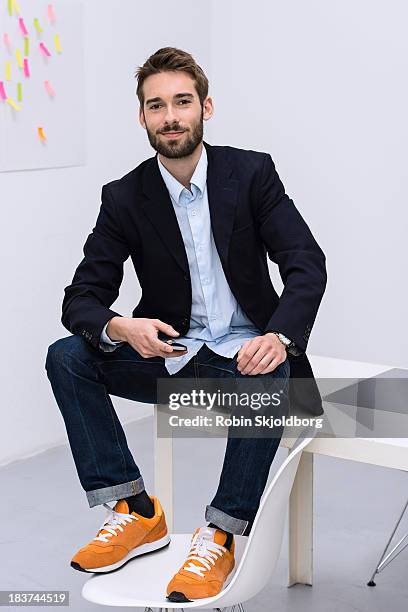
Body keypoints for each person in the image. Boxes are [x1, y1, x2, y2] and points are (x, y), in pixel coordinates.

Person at [45, 46, 327, 602]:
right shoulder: (124, 196)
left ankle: (219, 536)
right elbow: (81, 296)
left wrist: (280, 336)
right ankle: (133, 509)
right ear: (142, 117)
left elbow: (306, 263)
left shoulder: (251, 174)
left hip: (250, 355)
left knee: (272, 377)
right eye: (156, 106)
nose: (170, 116)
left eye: (181, 102)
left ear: (205, 107)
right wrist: (123, 328)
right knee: (67, 355)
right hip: (174, 356)